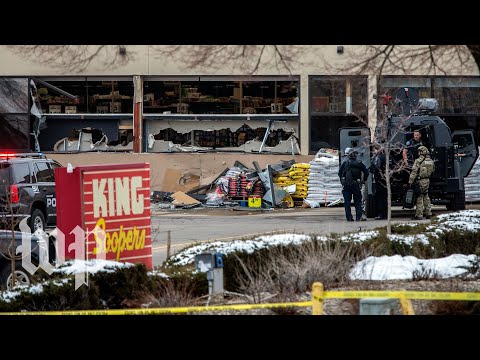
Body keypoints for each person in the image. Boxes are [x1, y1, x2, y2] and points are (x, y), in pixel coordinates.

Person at [339, 147, 369, 222]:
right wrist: (363, 180)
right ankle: (358, 217)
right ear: (355, 155)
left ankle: (349, 217)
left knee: (347, 202)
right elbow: (366, 172)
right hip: (356, 184)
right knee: (358, 201)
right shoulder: (359, 163)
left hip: (346, 185)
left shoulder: (345, 163)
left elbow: (339, 173)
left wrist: (343, 181)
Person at [408, 145, 435, 220]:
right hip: (427, 180)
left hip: (420, 180)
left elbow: (414, 172)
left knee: (419, 197)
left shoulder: (418, 161)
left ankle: (419, 215)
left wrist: (410, 181)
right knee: (426, 196)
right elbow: (433, 170)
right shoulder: (431, 161)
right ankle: (428, 213)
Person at [371, 146, 388, 220]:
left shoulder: (378, 158)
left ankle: (381, 214)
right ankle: (385, 213)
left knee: (379, 197)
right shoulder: (386, 157)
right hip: (384, 179)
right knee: (384, 197)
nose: (374, 151)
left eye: (375, 150)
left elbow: (375, 168)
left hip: (379, 179)